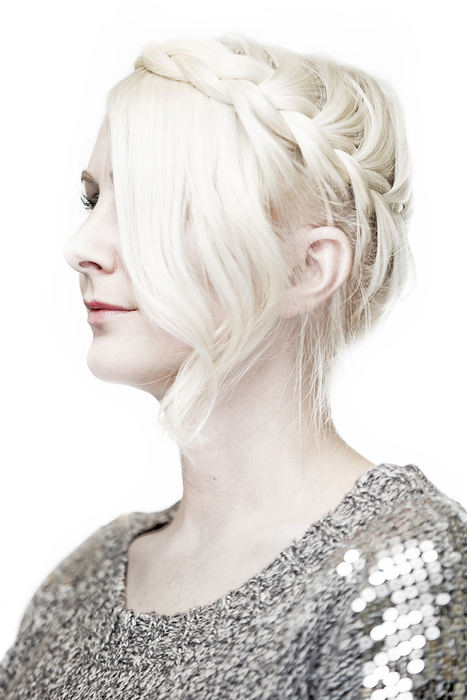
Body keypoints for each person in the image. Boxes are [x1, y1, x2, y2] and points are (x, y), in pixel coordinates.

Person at [1, 33, 466, 699]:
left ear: (307, 268)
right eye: (92, 198)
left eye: (149, 204)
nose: (83, 247)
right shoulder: (82, 581)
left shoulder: (397, 561)